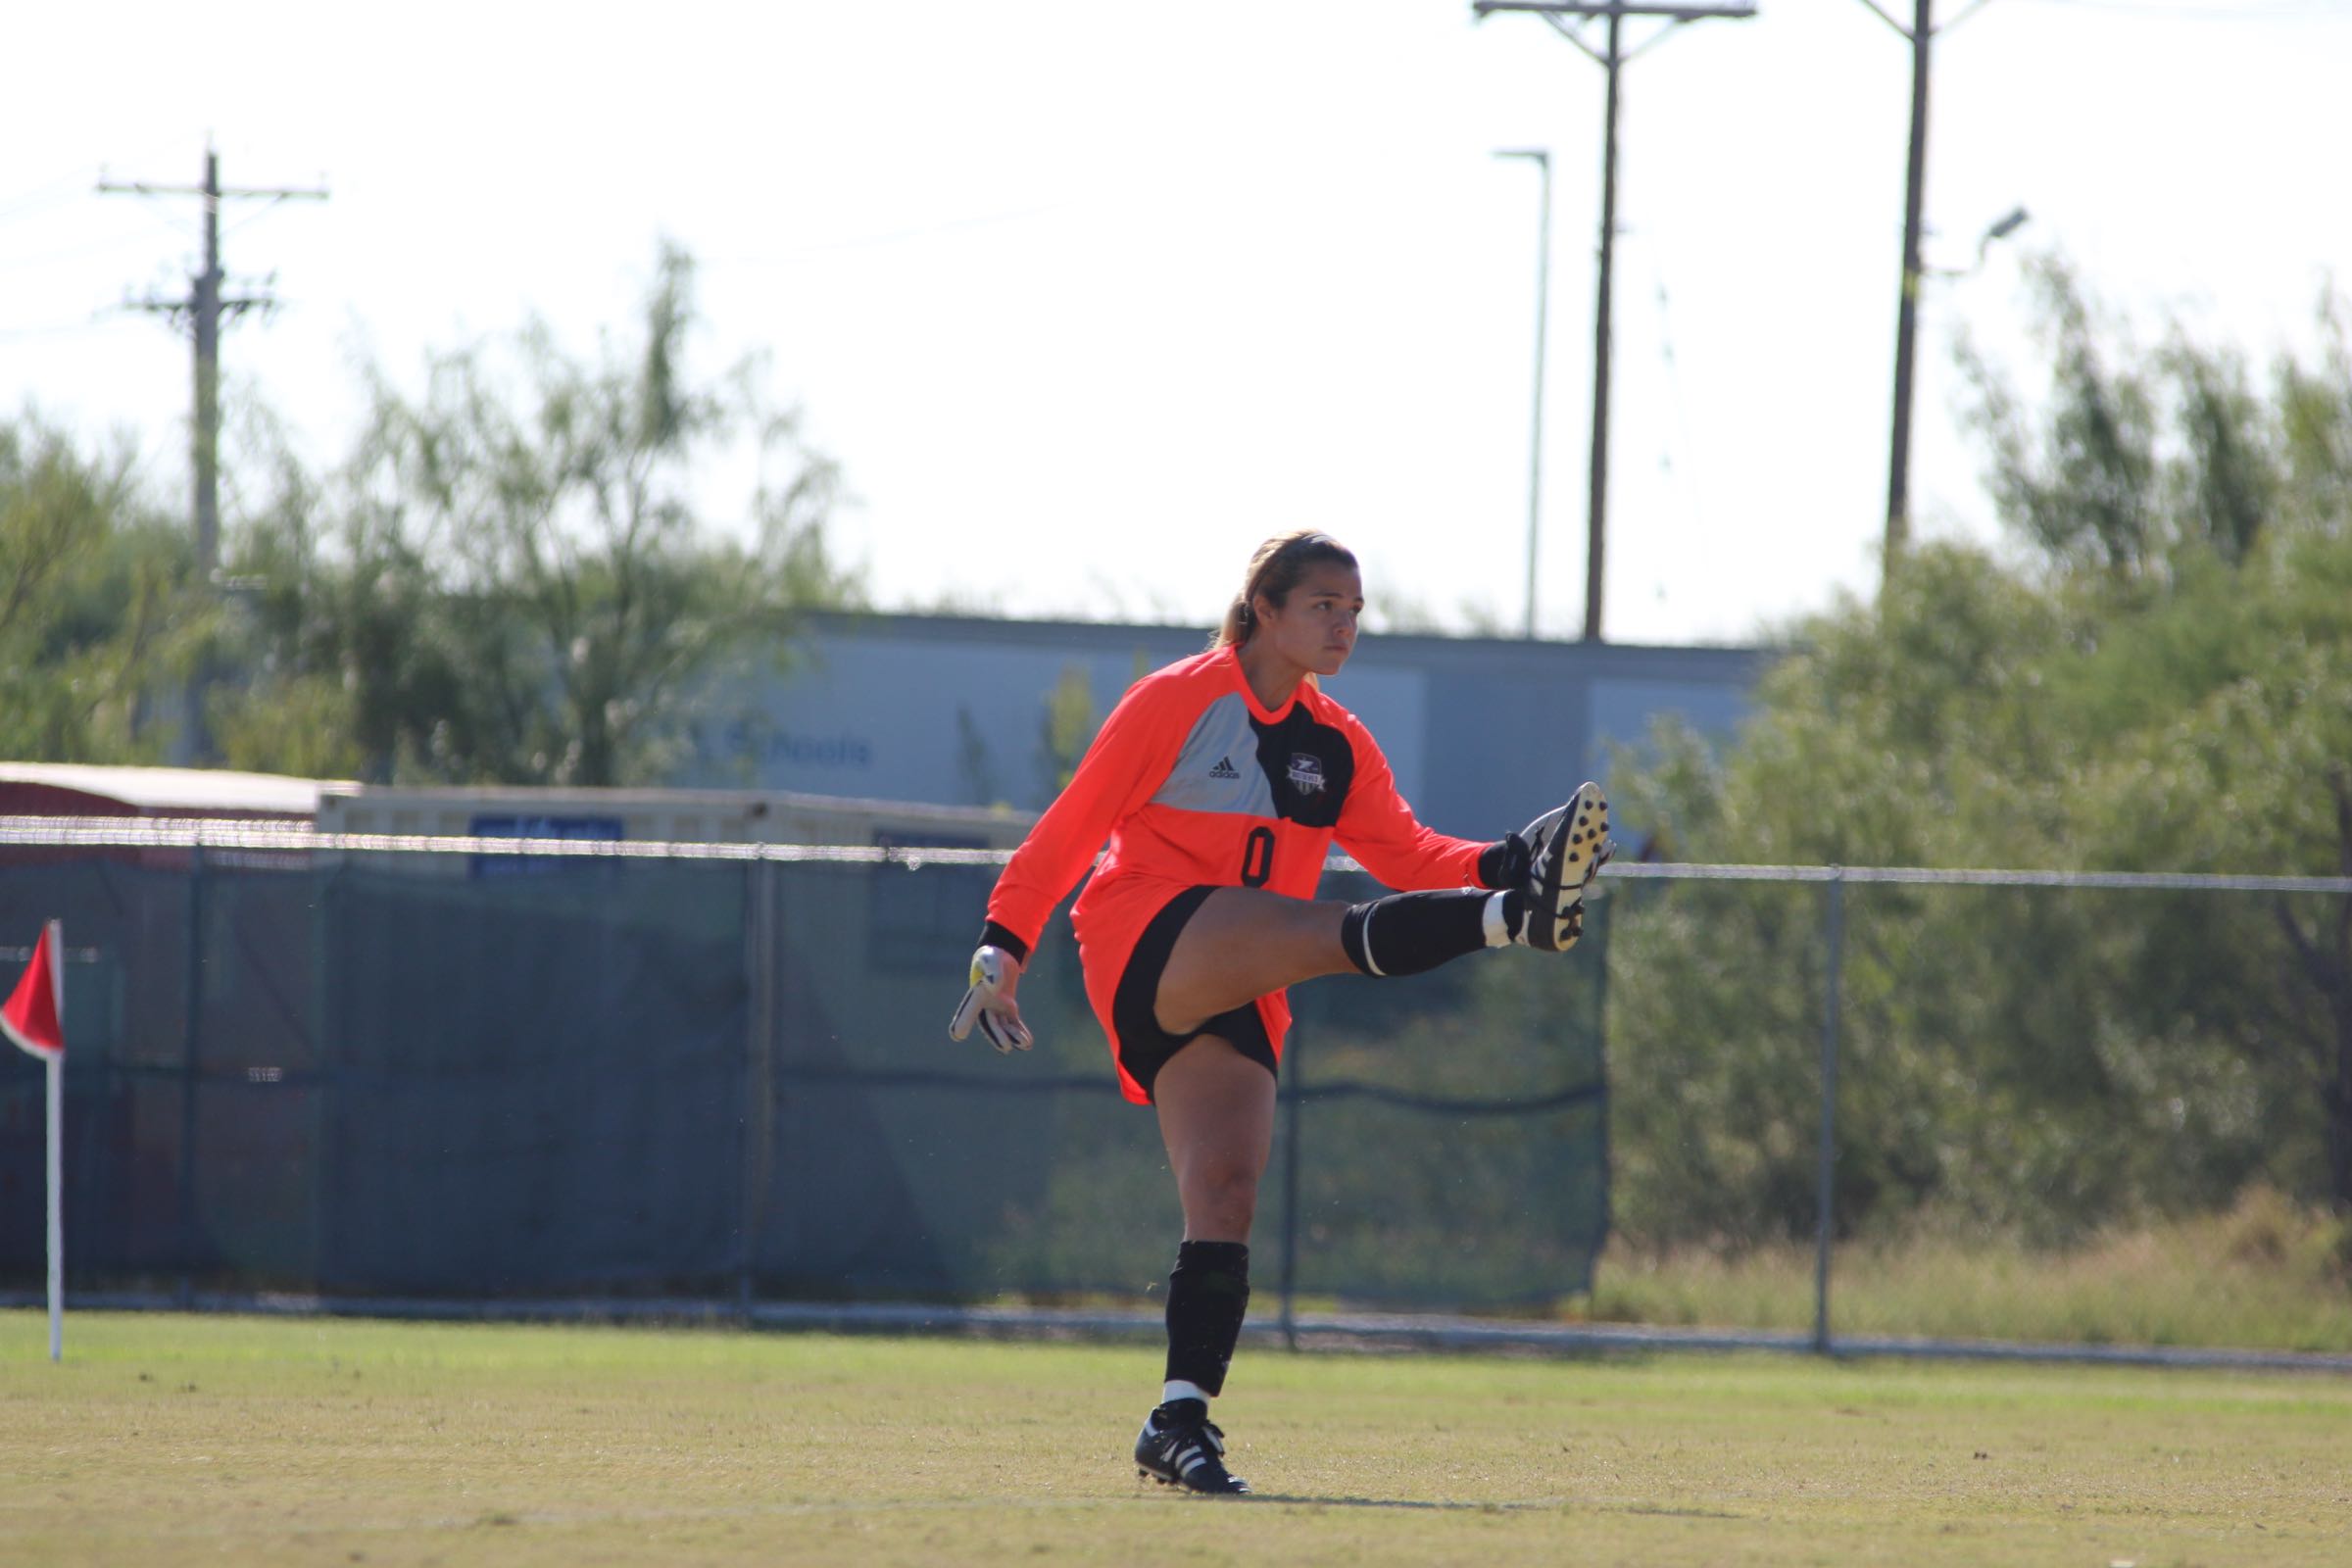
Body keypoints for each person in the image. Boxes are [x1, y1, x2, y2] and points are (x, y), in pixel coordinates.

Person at [949, 529, 1610, 1496]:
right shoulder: (1180, 700)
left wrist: (1507, 852)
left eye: (1354, 609)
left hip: (1242, 986)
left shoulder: (1336, 741)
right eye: (1322, 605)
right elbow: (1075, 821)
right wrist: (1003, 941)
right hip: (1145, 944)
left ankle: (1177, 1419)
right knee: (1329, 929)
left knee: (1224, 1193)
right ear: (1263, 608)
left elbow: (1411, 853)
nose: (1343, 623)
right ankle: (1516, 922)